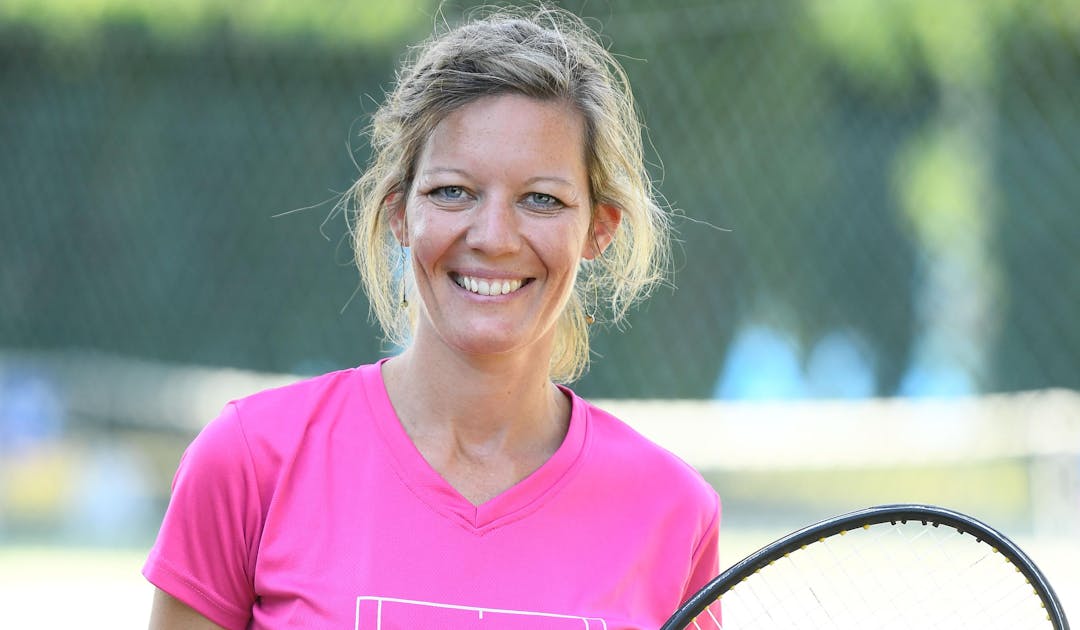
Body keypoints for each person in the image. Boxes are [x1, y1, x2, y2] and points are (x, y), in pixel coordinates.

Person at [144, 5, 720, 629]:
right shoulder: (250, 461)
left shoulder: (672, 510)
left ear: (597, 230)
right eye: (453, 191)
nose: (494, 236)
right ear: (399, 213)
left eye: (542, 199)